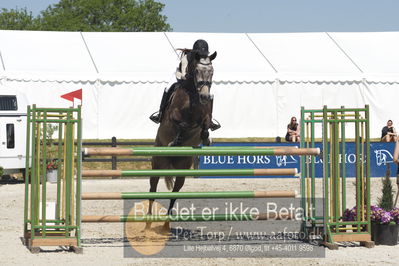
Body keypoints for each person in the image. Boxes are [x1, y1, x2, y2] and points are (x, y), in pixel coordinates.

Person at [149, 39, 220, 131]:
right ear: (196, 52)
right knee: (167, 88)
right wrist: (188, 76)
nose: (202, 56)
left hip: (195, 81)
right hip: (181, 77)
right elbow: (183, 74)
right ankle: (160, 113)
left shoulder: (205, 60)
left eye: (204, 54)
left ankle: (210, 119)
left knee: (210, 94)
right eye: (200, 54)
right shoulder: (186, 58)